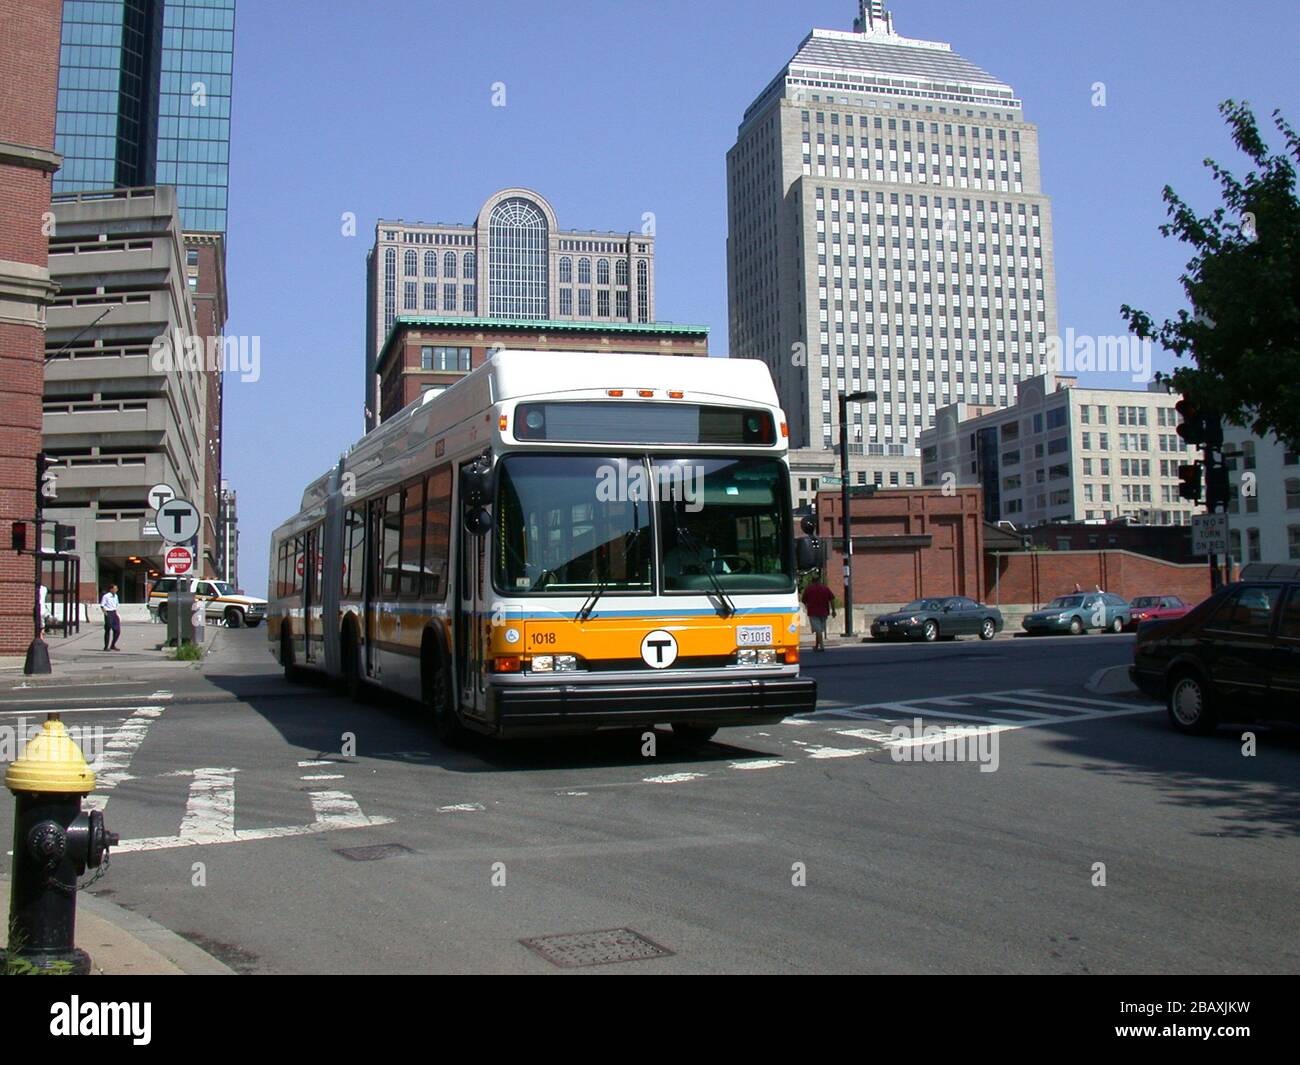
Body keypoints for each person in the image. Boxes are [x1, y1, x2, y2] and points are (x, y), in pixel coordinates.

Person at [802, 571, 837, 651]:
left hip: (813, 611)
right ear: (819, 580)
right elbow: (832, 599)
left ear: (812, 581)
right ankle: (817, 646)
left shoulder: (808, 589)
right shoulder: (825, 588)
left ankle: (821, 646)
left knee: (818, 630)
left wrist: (807, 606)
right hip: (824, 611)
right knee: (820, 629)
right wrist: (833, 610)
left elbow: (804, 600)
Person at [101, 584, 121, 651]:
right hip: (108, 612)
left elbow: (116, 604)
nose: (116, 590)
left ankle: (113, 645)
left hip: (114, 612)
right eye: (115, 588)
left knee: (117, 630)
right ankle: (106, 646)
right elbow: (102, 605)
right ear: (111, 589)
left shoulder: (116, 596)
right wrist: (105, 613)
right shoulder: (106, 596)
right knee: (108, 629)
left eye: (116, 588)